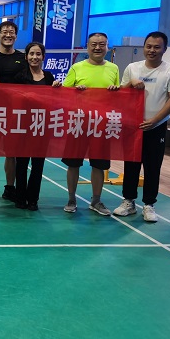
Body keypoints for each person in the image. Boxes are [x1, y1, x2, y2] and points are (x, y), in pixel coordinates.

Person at [113, 31, 170, 222]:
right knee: (131, 165)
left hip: (156, 127)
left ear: (164, 49)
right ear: (144, 47)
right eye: (148, 46)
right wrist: (130, 83)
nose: (152, 50)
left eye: (157, 47)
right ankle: (128, 201)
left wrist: (155, 120)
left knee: (152, 167)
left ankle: (149, 204)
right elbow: (122, 93)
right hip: (133, 127)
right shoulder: (132, 68)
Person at [62, 32, 120, 216]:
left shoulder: (114, 68)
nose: (97, 47)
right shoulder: (77, 68)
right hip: (79, 122)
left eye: (102, 44)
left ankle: (96, 200)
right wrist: (75, 90)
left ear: (107, 47)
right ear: (87, 47)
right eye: (94, 44)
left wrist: (115, 90)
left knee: (99, 164)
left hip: (102, 124)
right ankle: (71, 199)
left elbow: (119, 96)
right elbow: (63, 93)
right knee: (73, 163)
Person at [0, 21, 27, 204]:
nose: (8, 35)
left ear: (16, 35)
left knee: (11, 153)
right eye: (4, 32)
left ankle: (10, 188)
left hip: (15, 112)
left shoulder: (23, 58)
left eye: (12, 32)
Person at [13, 42, 61, 211]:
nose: (35, 57)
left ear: (43, 57)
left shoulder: (49, 77)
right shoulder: (19, 77)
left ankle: (33, 199)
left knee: (38, 165)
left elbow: (55, 100)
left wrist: (57, 89)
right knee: (21, 164)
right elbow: (13, 99)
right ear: (26, 57)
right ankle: (20, 197)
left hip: (41, 126)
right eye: (31, 54)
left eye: (38, 54)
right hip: (23, 126)